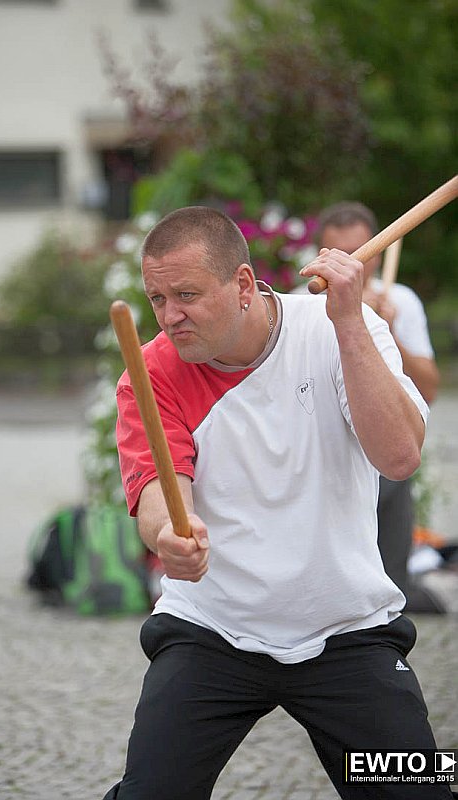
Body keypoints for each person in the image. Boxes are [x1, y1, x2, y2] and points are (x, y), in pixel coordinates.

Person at [104, 206, 451, 799]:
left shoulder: (339, 326)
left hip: (347, 626)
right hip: (212, 629)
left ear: (243, 284)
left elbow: (399, 457)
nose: (169, 316)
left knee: (420, 791)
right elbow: (160, 493)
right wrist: (168, 536)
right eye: (157, 298)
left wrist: (348, 322)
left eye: (187, 295)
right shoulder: (153, 369)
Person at [313, 202, 441, 612]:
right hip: (328, 460)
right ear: (320, 255)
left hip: (386, 461)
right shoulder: (306, 301)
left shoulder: (399, 300)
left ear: (380, 253)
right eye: (341, 253)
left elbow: (428, 389)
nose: (355, 264)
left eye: (363, 252)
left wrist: (388, 329)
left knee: (391, 570)